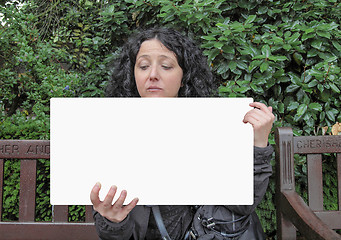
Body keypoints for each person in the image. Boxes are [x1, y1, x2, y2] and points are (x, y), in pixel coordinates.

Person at [90, 27, 274, 240]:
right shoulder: (109, 132)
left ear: (184, 76)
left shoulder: (215, 127)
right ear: (132, 74)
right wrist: (113, 221)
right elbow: (113, 235)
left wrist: (258, 143)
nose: (153, 75)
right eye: (143, 66)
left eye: (166, 66)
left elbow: (243, 205)